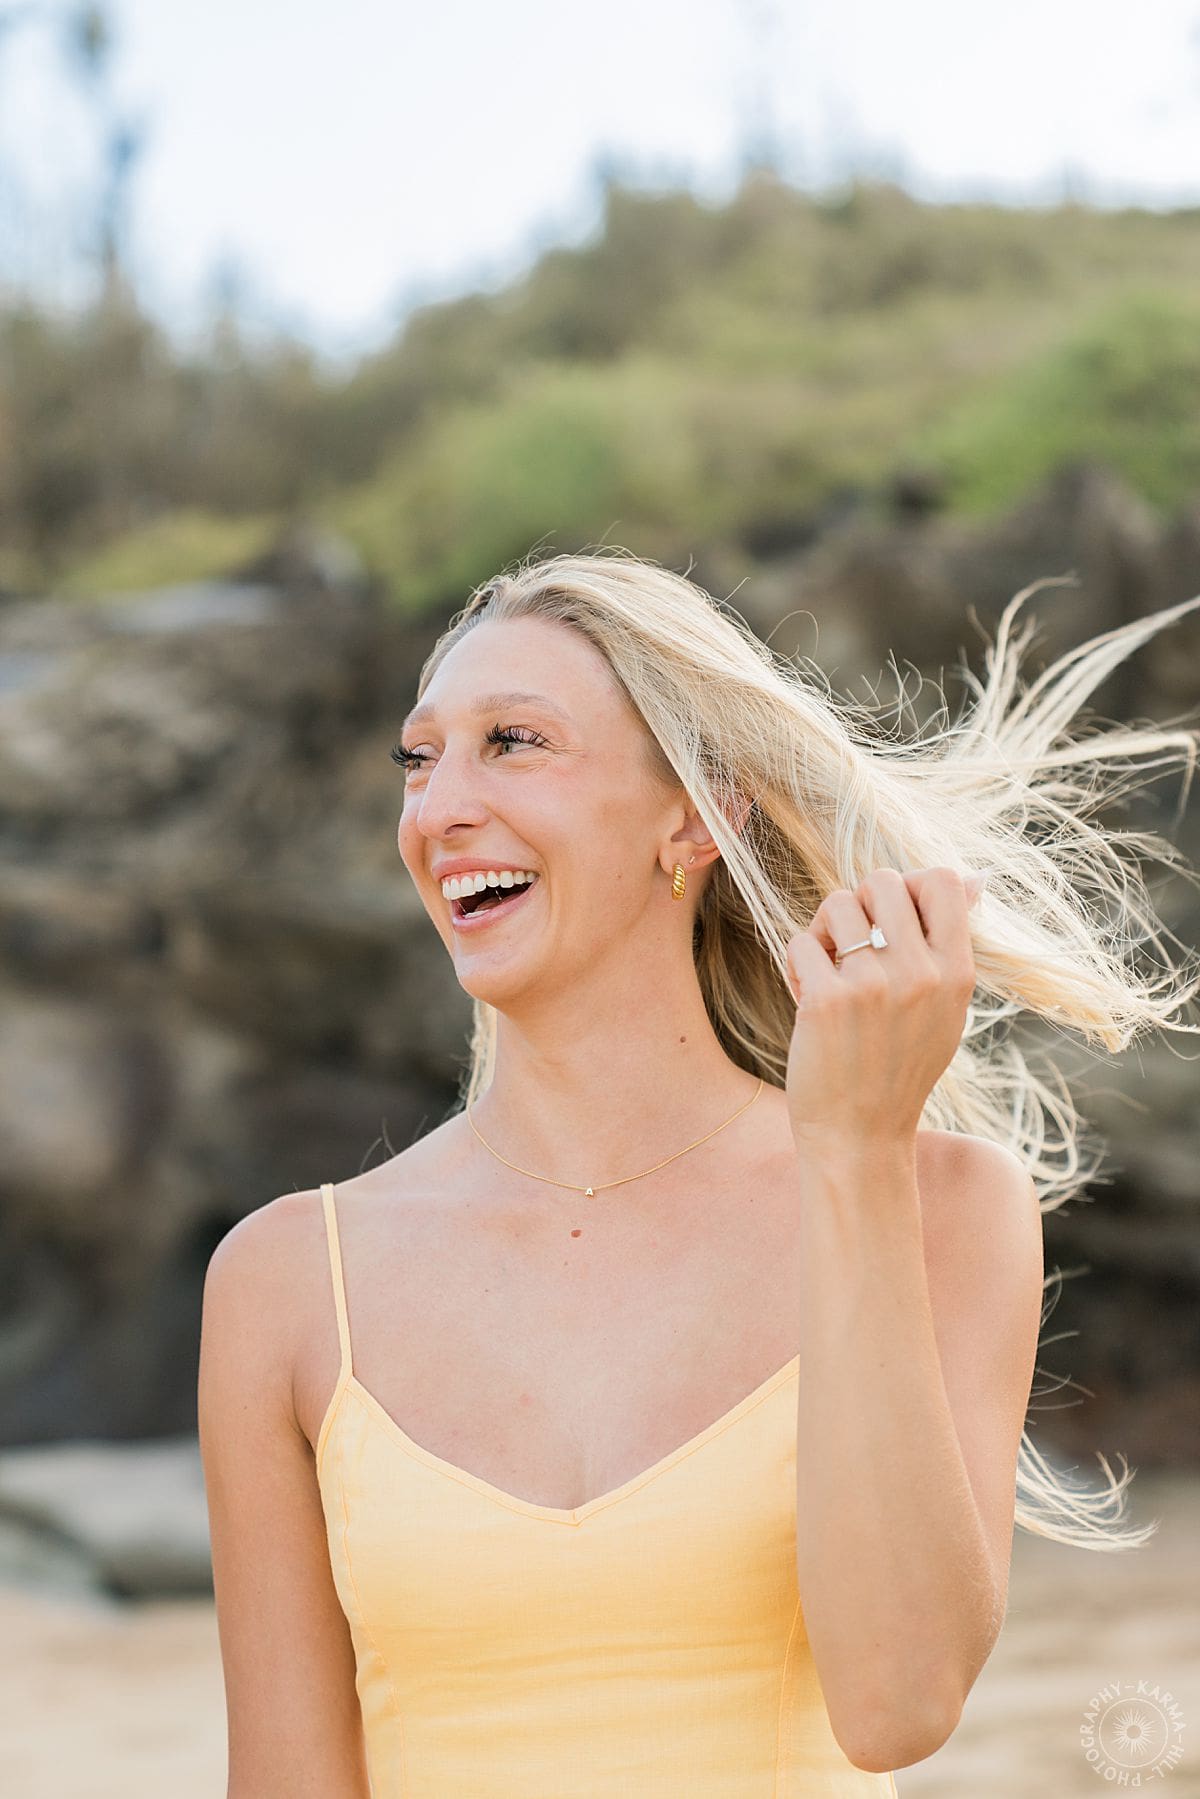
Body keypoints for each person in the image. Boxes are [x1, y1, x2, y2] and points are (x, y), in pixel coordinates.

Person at [198, 549, 1200, 1797]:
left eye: (513, 742)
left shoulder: (939, 1201)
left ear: (693, 816)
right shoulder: (290, 1282)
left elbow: (898, 1700)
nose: (438, 807)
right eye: (420, 756)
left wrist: (852, 1155)